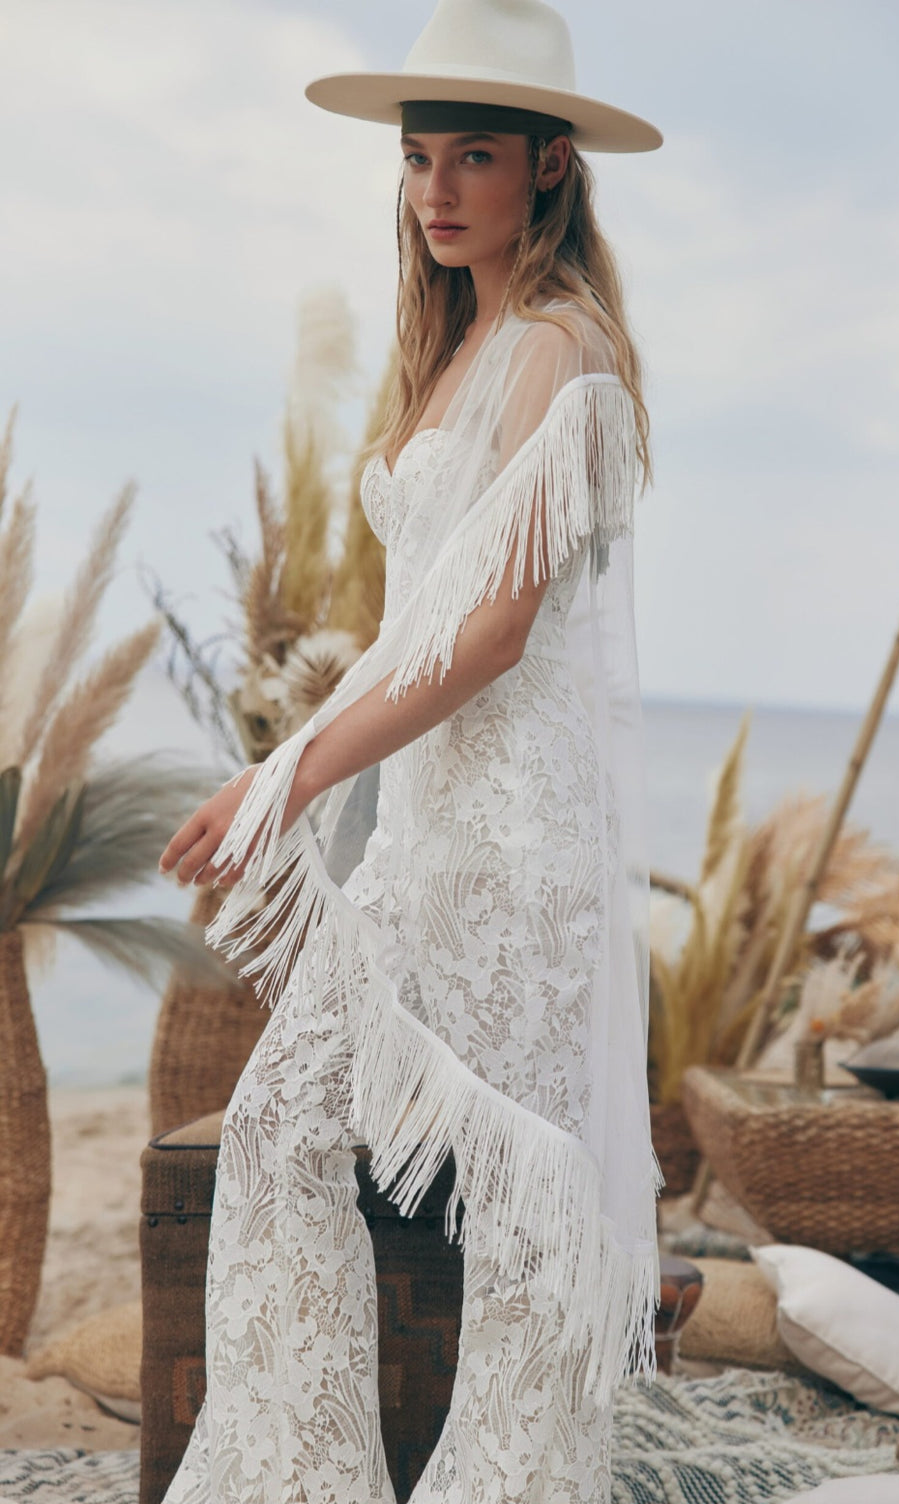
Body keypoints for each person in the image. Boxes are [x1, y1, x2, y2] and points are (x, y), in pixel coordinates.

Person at [158, 0, 663, 1499]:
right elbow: (404, 633)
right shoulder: (460, 349)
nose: (437, 188)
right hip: (421, 850)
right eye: (421, 156)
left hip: (520, 857)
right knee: (273, 1135)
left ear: (552, 168)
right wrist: (293, 772)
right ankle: (300, 1480)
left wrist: (291, 774)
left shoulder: (567, 355)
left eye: (476, 157)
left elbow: (494, 633)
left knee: (520, 1229)